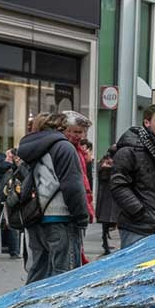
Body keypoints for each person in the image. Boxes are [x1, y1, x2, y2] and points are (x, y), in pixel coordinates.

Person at [16, 113, 88, 283]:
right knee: (65, 274)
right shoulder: (64, 147)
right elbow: (72, 186)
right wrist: (81, 217)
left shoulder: (29, 148)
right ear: (61, 128)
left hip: (34, 216)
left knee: (38, 270)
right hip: (60, 217)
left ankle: (30, 307)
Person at [111, 104, 155, 248]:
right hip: (137, 228)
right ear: (147, 122)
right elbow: (118, 185)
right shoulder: (129, 150)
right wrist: (139, 212)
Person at [61, 111, 95, 265]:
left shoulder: (77, 150)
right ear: (64, 130)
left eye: (82, 132)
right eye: (76, 132)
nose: (80, 136)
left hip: (74, 211)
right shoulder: (68, 150)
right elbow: (74, 185)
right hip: (69, 213)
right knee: (69, 260)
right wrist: (83, 211)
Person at [95, 145, 118, 254]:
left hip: (109, 196)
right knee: (107, 221)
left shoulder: (109, 163)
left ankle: (106, 242)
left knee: (109, 221)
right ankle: (105, 243)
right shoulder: (105, 163)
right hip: (107, 196)